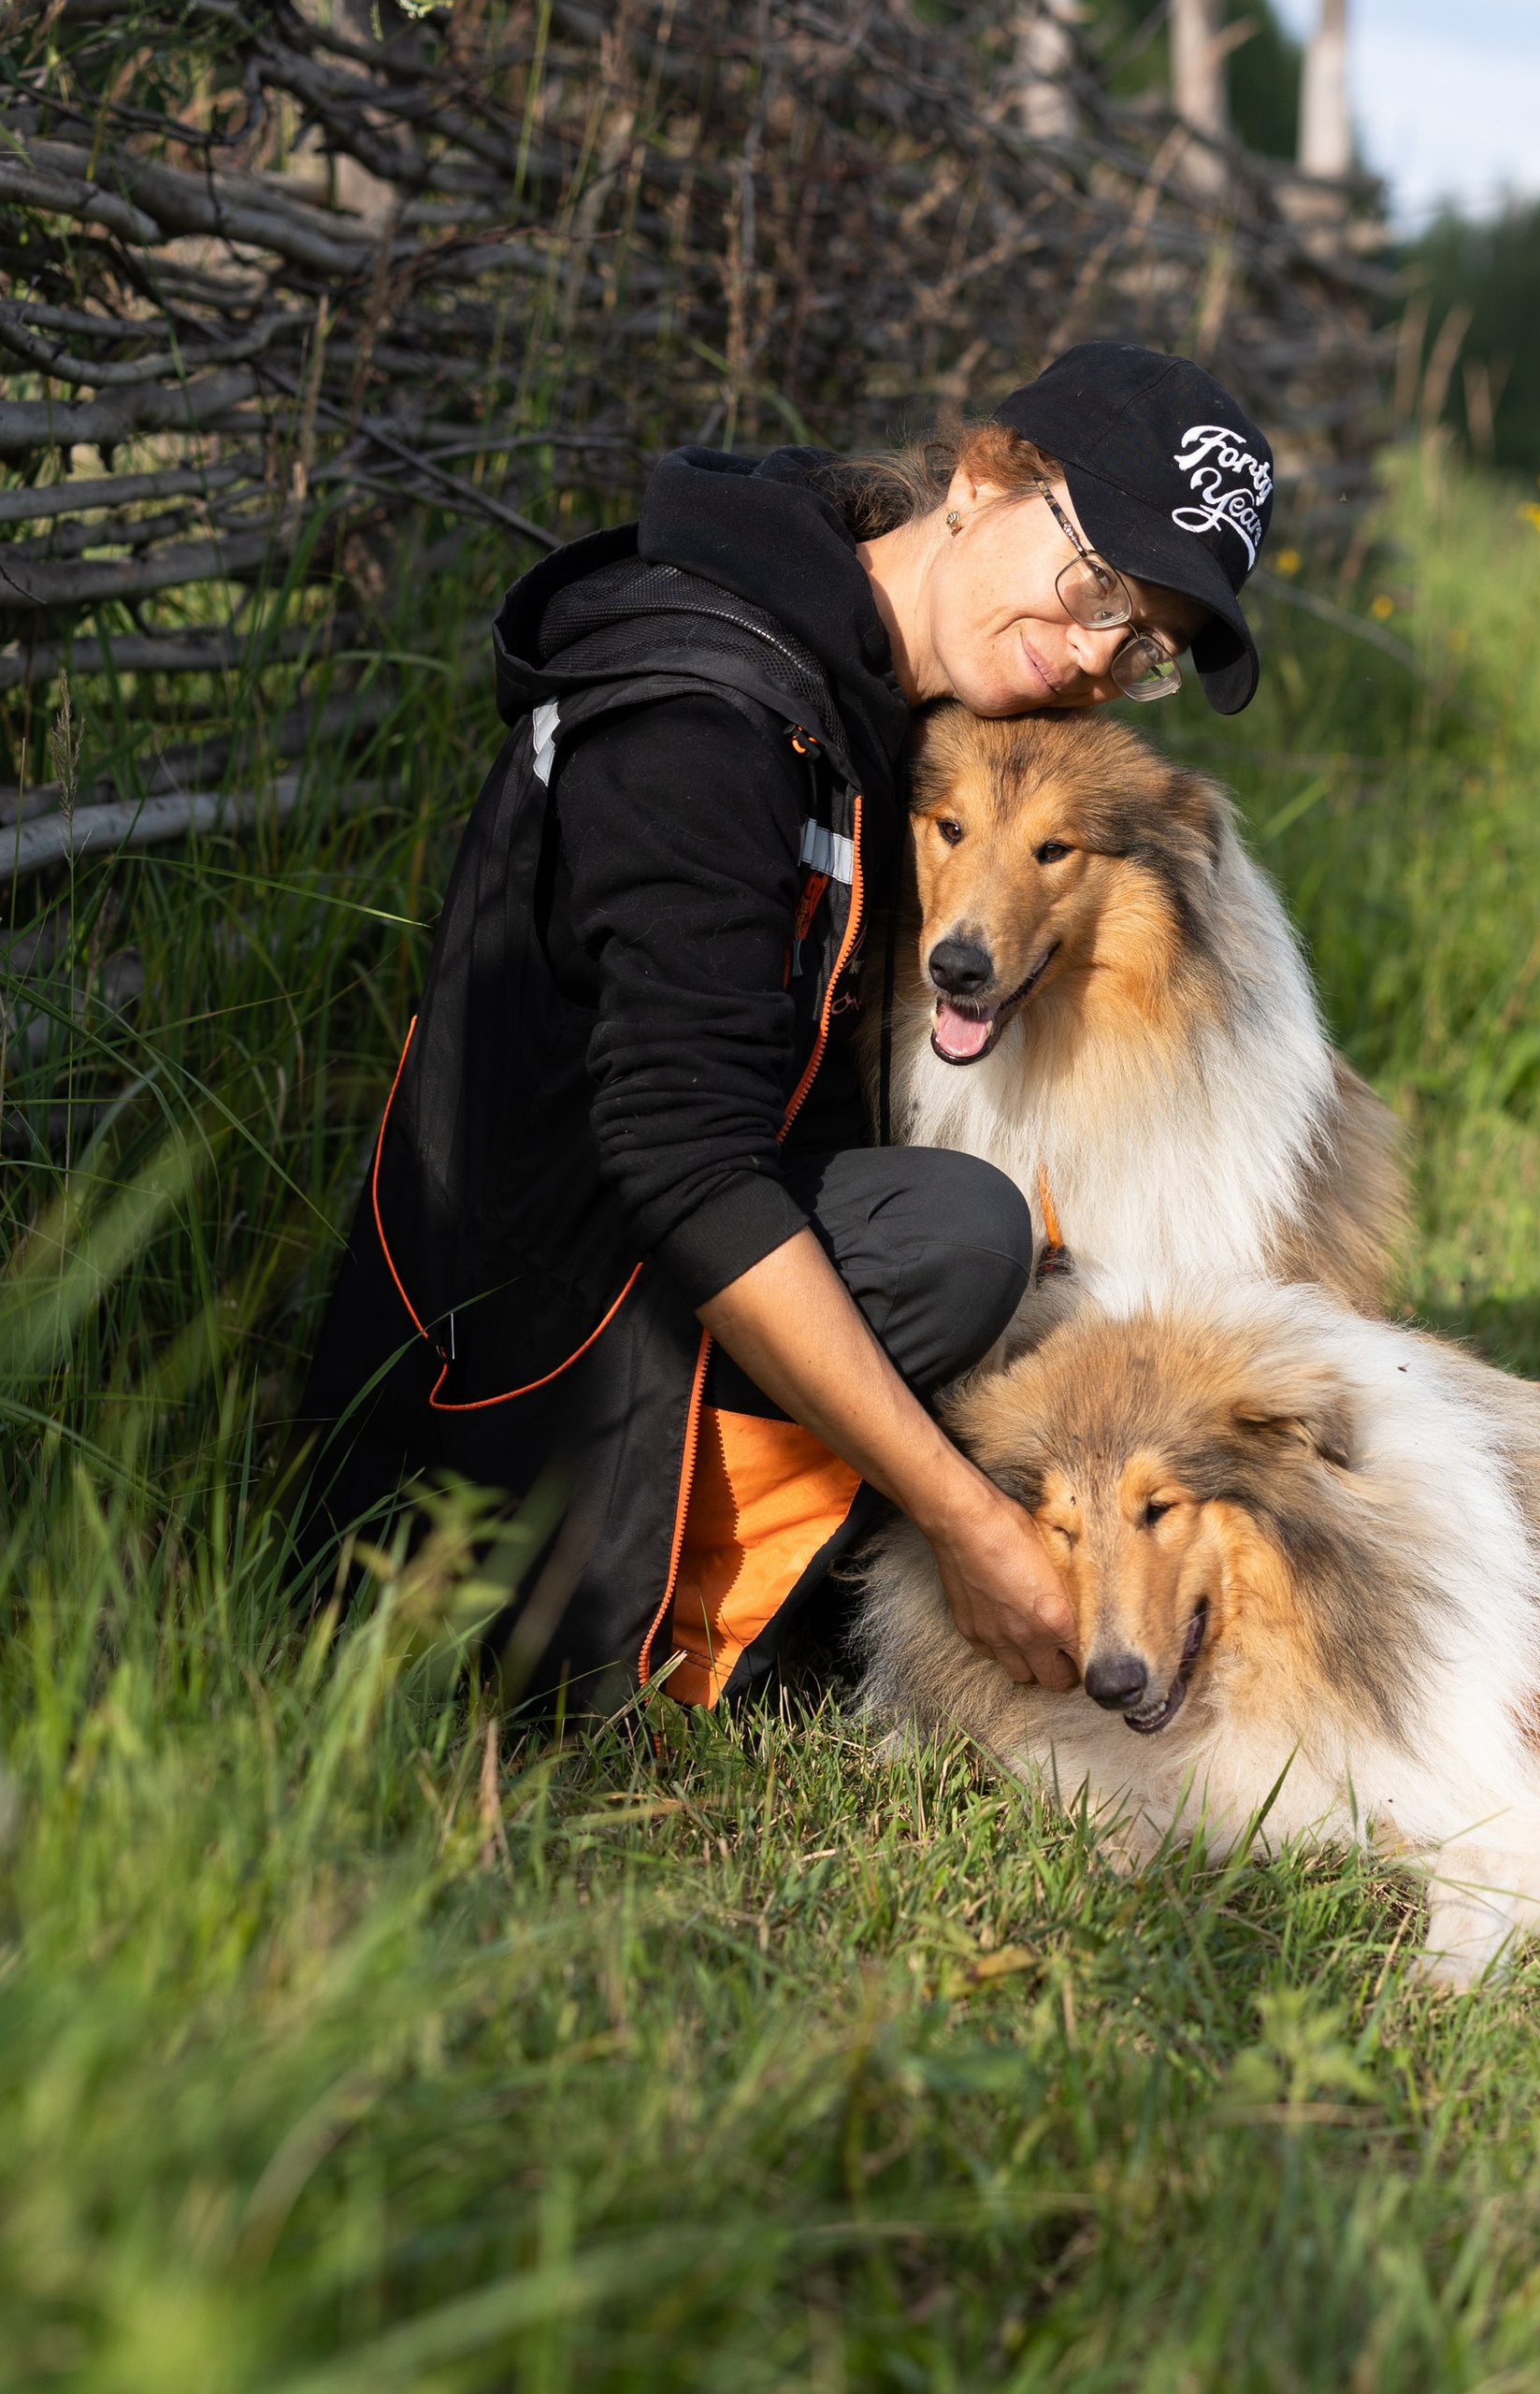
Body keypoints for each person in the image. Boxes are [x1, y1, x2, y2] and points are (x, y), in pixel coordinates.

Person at [295, 343, 1277, 1712]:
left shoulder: (862, 684)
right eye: (1099, 582)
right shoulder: (705, 720)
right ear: (983, 483)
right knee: (961, 1237)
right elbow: (684, 1166)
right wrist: (966, 1523)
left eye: (1146, 645)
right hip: (513, 1387)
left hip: (626, 1276)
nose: (1099, 653)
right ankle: (660, 1621)